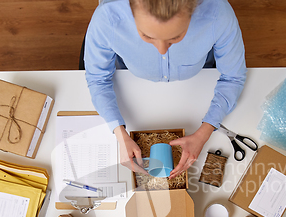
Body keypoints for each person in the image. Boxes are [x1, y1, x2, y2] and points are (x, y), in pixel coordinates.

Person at [84, 0, 246, 179]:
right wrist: (119, 133)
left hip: (201, 79)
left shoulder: (217, 14)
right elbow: (98, 79)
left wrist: (204, 133)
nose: (162, 51)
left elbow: (233, 77)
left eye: (175, 37)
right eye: (147, 36)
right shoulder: (108, 18)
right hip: (130, 82)